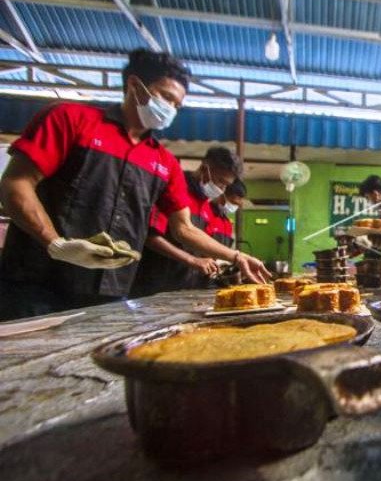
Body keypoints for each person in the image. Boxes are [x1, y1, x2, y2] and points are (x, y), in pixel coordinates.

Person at [0, 49, 269, 320]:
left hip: (110, 293)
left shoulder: (164, 163)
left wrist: (237, 257)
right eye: (165, 97)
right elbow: (16, 184)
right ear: (133, 85)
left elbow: (184, 229)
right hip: (37, 283)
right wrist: (55, 243)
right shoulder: (71, 120)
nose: (170, 109)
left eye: (177, 105)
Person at [130, 147, 242, 297]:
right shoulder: (174, 190)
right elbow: (150, 237)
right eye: (220, 181)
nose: (222, 189)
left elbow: (200, 248)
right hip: (156, 288)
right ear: (204, 168)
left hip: (188, 290)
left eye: (226, 185)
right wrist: (191, 260)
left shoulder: (207, 205)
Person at [208, 178, 247, 248]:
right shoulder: (204, 214)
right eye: (233, 202)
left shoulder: (227, 223)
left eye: (238, 205)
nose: (235, 207)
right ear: (222, 194)